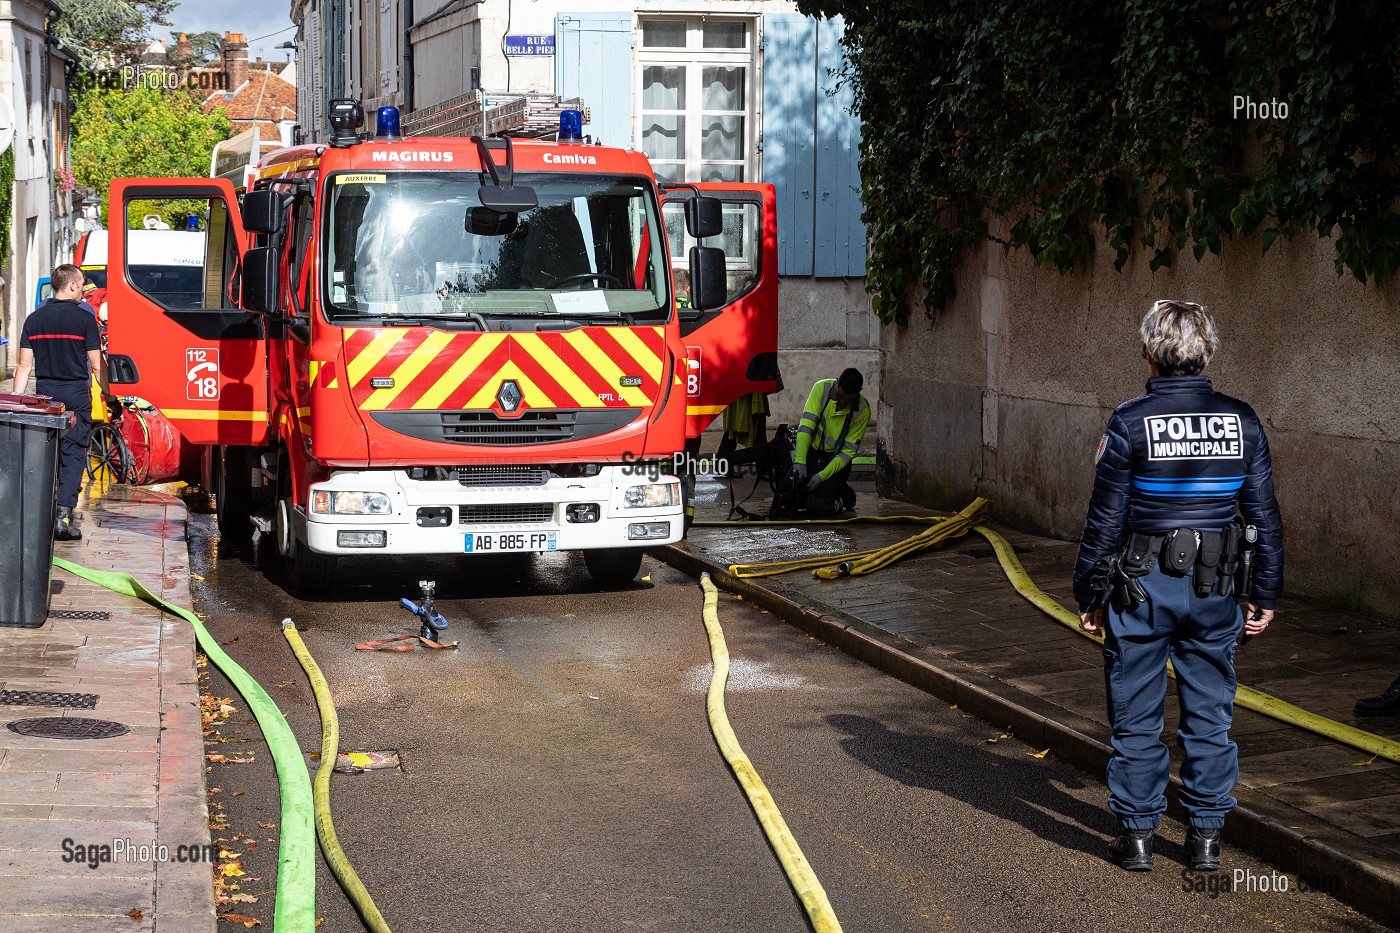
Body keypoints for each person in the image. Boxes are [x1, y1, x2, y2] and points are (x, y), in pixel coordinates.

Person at [1072, 300, 1283, 874]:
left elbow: (1104, 521)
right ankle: (1205, 841)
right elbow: (1264, 515)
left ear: (1149, 352)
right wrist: (1264, 591)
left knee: (1136, 714)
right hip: (1214, 589)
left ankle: (1137, 838)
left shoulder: (1130, 421)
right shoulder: (1242, 419)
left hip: (1140, 590)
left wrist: (1088, 593)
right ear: (1207, 350)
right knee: (1209, 715)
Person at [11, 264, 103, 541]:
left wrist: (16, 403)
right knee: (73, 454)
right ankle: (63, 517)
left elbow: (23, 366)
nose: (84, 292)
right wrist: (110, 393)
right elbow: (97, 366)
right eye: (82, 286)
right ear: (72, 285)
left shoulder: (34, 319)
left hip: (44, 396)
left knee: (46, 455)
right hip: (75, 394)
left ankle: (40, 515)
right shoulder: (85, 320)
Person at [789, 368, 870, 516]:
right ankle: (841, 489)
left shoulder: (863, 409)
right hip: (814, 454)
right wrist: (799, 462)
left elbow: (847, 453)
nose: (843, 403)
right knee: (797, 499)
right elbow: (806, 428)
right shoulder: (821, 388)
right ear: (837, 383)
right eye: (840, 397)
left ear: (859, 391)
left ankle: (841, 498)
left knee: (817, 507)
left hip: (836, 461)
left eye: (849, 400)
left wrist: (822, 476)